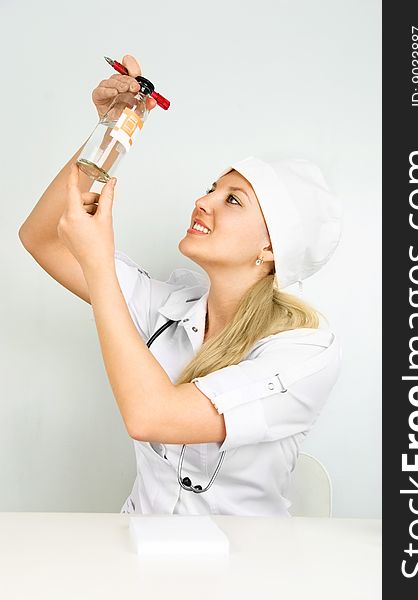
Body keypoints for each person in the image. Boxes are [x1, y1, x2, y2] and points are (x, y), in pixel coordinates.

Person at [18, 54, 343, 517]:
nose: (203, 201)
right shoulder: (170, 306)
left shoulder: (305, 353)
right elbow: (42, 237)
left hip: (244, 574)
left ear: (273, 248)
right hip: (138, 555)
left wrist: (97, 262)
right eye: (211, 187)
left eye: (232, 200)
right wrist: (112, 131)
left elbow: (152, 415)